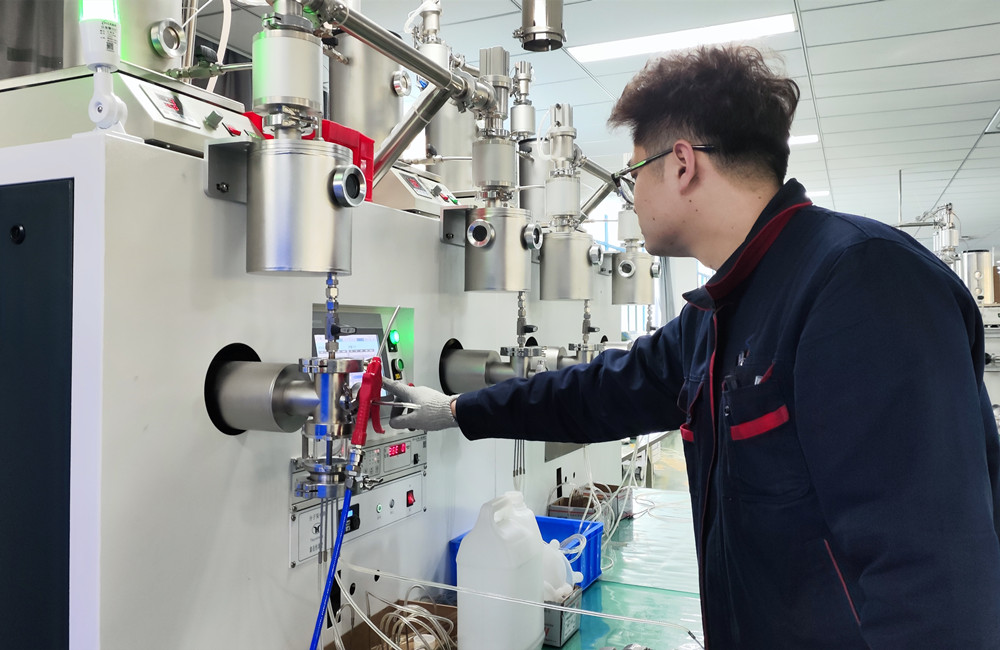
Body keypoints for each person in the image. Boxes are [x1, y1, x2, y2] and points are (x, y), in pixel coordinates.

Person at [384, 45, 1000, 648]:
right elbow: (599, 391)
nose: (631, 198)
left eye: (633, 174)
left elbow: (932, 579)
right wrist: (459, 409)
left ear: (681, 164)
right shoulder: (719, 311)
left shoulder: (862, 284)